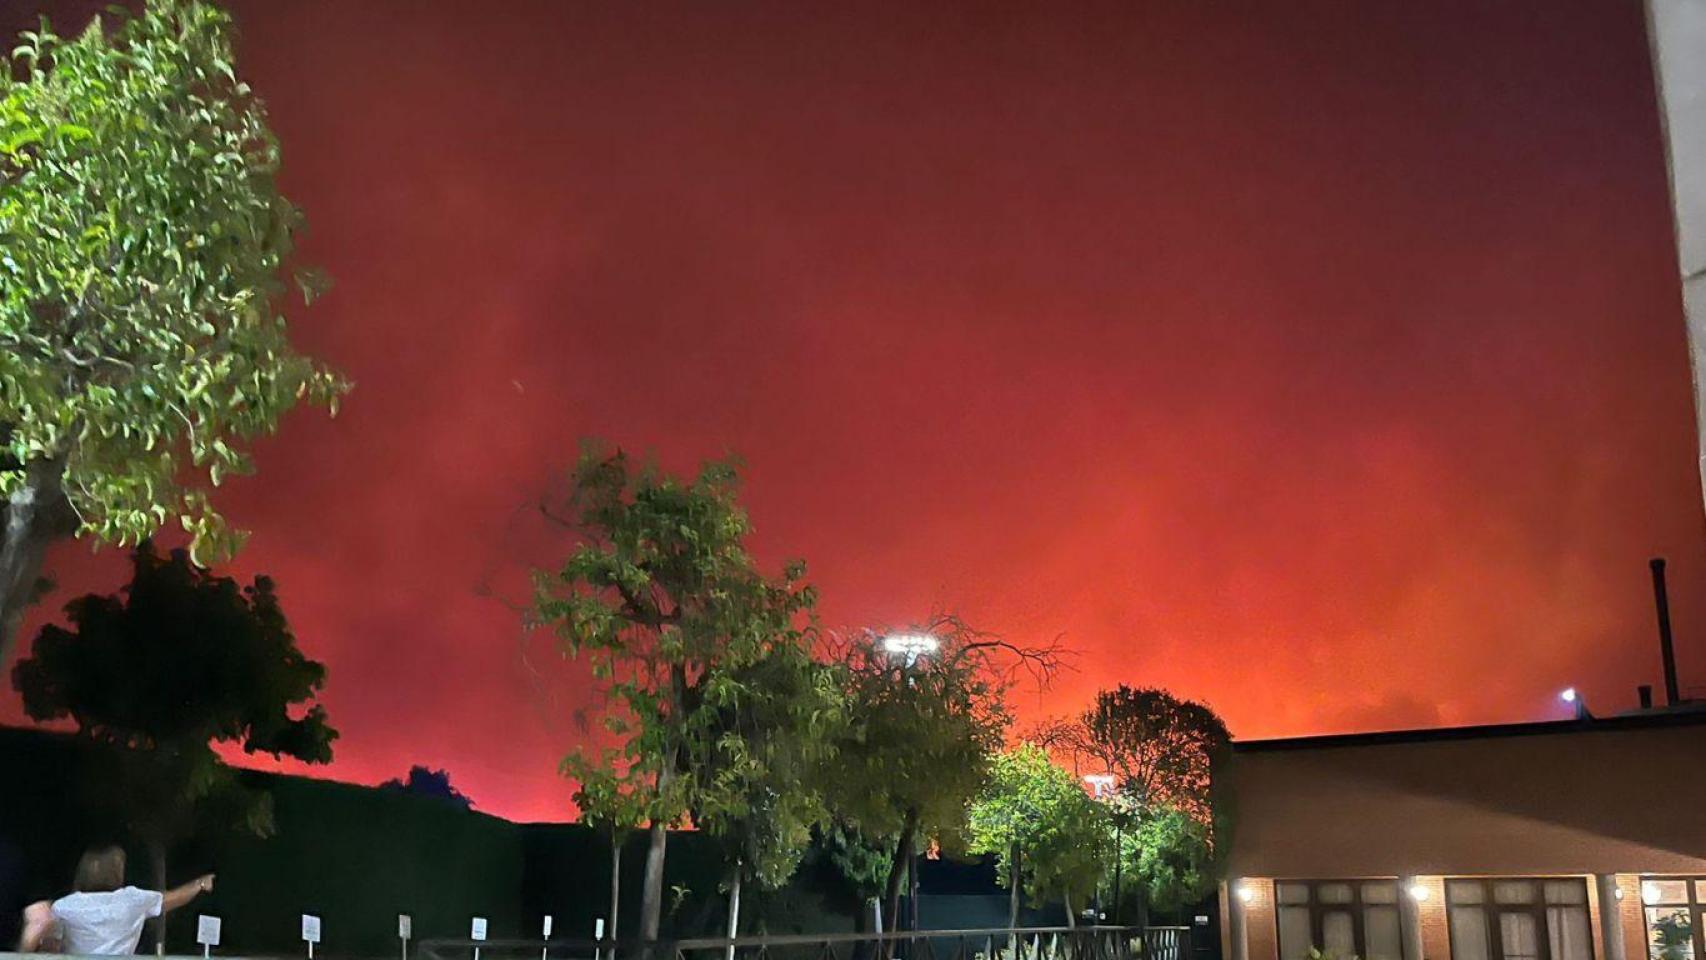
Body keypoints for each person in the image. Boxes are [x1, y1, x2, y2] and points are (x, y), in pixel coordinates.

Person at [50, 846, 214, 955]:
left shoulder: (63, 906)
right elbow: (175, 898)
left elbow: (51, 948)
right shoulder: (133, 900)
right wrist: (199, 884)